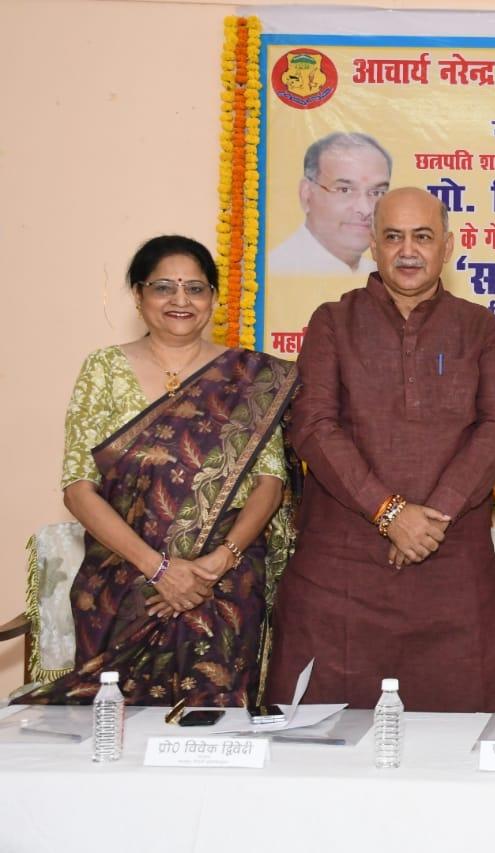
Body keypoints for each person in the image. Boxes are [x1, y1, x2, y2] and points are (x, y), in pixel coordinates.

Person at [267, 187, 495, 712]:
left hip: (450, 563)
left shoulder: (479, 327)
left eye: (422, 237)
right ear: (372, 245)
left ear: (446, 247)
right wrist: (390, 513)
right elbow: (314, 426)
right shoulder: (332, 322)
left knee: (467, 724)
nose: (407, 251)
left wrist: (431, 519)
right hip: (345, 570)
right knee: (322, 733)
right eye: (393, 237)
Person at [21, 235, 297, 708]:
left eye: (195, 288)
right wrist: (159, 569)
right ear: (138, 295)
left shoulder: (249, 380)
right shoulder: (104, 370)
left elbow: (270, 484)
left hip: (223, 578)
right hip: (125, 577)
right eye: (164, 287)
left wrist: (220, 561)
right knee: (114, 722)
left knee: (213, 721)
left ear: (213, 297)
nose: (180, 300)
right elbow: (78, 487)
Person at [267, 131, 392, 276]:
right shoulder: (274, 272)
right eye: (345, 190)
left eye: (377, 193)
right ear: (306, 193)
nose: (365, 209)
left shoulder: (383, 275)